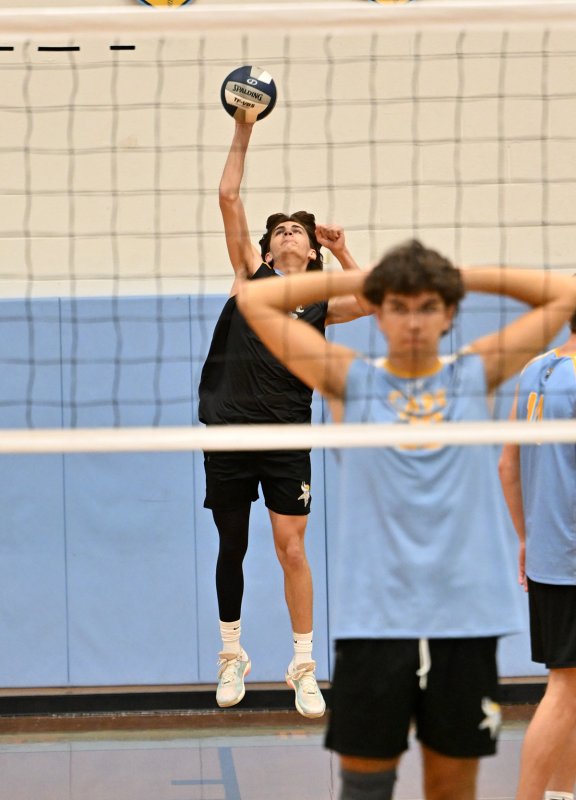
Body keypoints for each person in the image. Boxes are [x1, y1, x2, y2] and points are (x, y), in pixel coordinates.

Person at [236, 239, 576, 800]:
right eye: (398, 305)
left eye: (427, 306)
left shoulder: (472, 375)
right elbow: (255, 301)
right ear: (379, 310)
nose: (413, 320)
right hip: (377, 620)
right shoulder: (350, 379)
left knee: (451, 785)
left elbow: (564, 296)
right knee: (365, 787)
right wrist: (368, 282)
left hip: (464, 620)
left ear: (448, 313)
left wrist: (453, 275)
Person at [198, 120, 367, 718]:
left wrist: (344, 248)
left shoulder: (322, 302)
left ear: (312, 250)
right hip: (231, 432)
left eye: (298, 230)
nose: (288, 234)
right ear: (267, 249)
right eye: (280, 231)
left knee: (291, 549)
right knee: (231, 546)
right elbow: (227, 197)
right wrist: (243, 128)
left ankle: (303, 665)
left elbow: (373, 297)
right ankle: (231, 655)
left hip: (287, 439)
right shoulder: (250, 279)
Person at [499, 314, 576, 800]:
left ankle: (562, 794)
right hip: (571, 556)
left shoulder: (535, 370)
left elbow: (508, 464)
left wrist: (527, 537)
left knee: (569, 686)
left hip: (550, 553)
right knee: (564, 691)